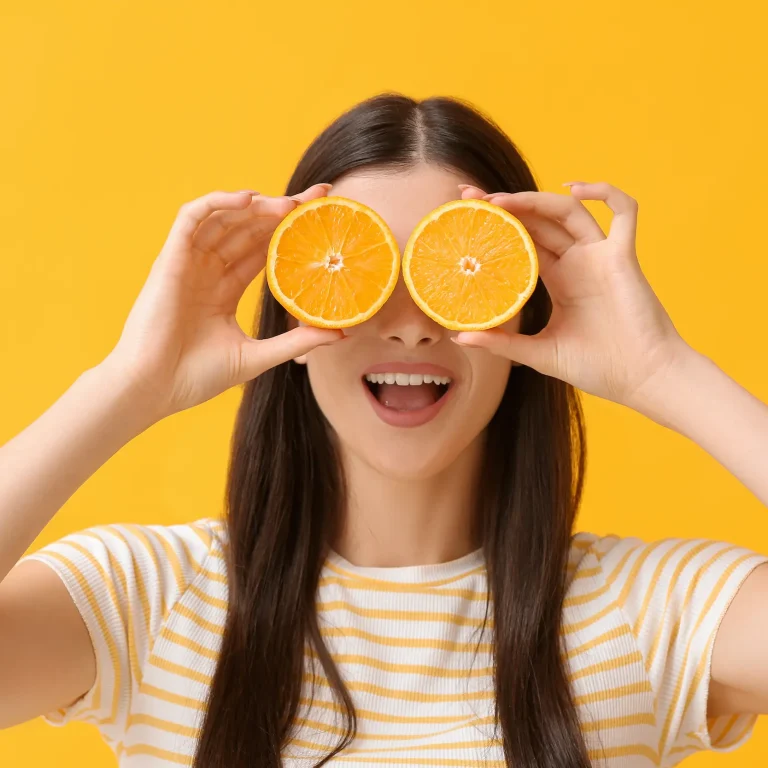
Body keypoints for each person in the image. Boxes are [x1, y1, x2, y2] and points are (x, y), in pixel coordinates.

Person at [1, 93, 767, 768]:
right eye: (359, 276)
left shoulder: (649, 614)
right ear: (297, 310)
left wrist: (663, 371)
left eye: (454, 273)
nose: (409, 330)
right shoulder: (146, 598)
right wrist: (128, 385)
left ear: (521, 307)